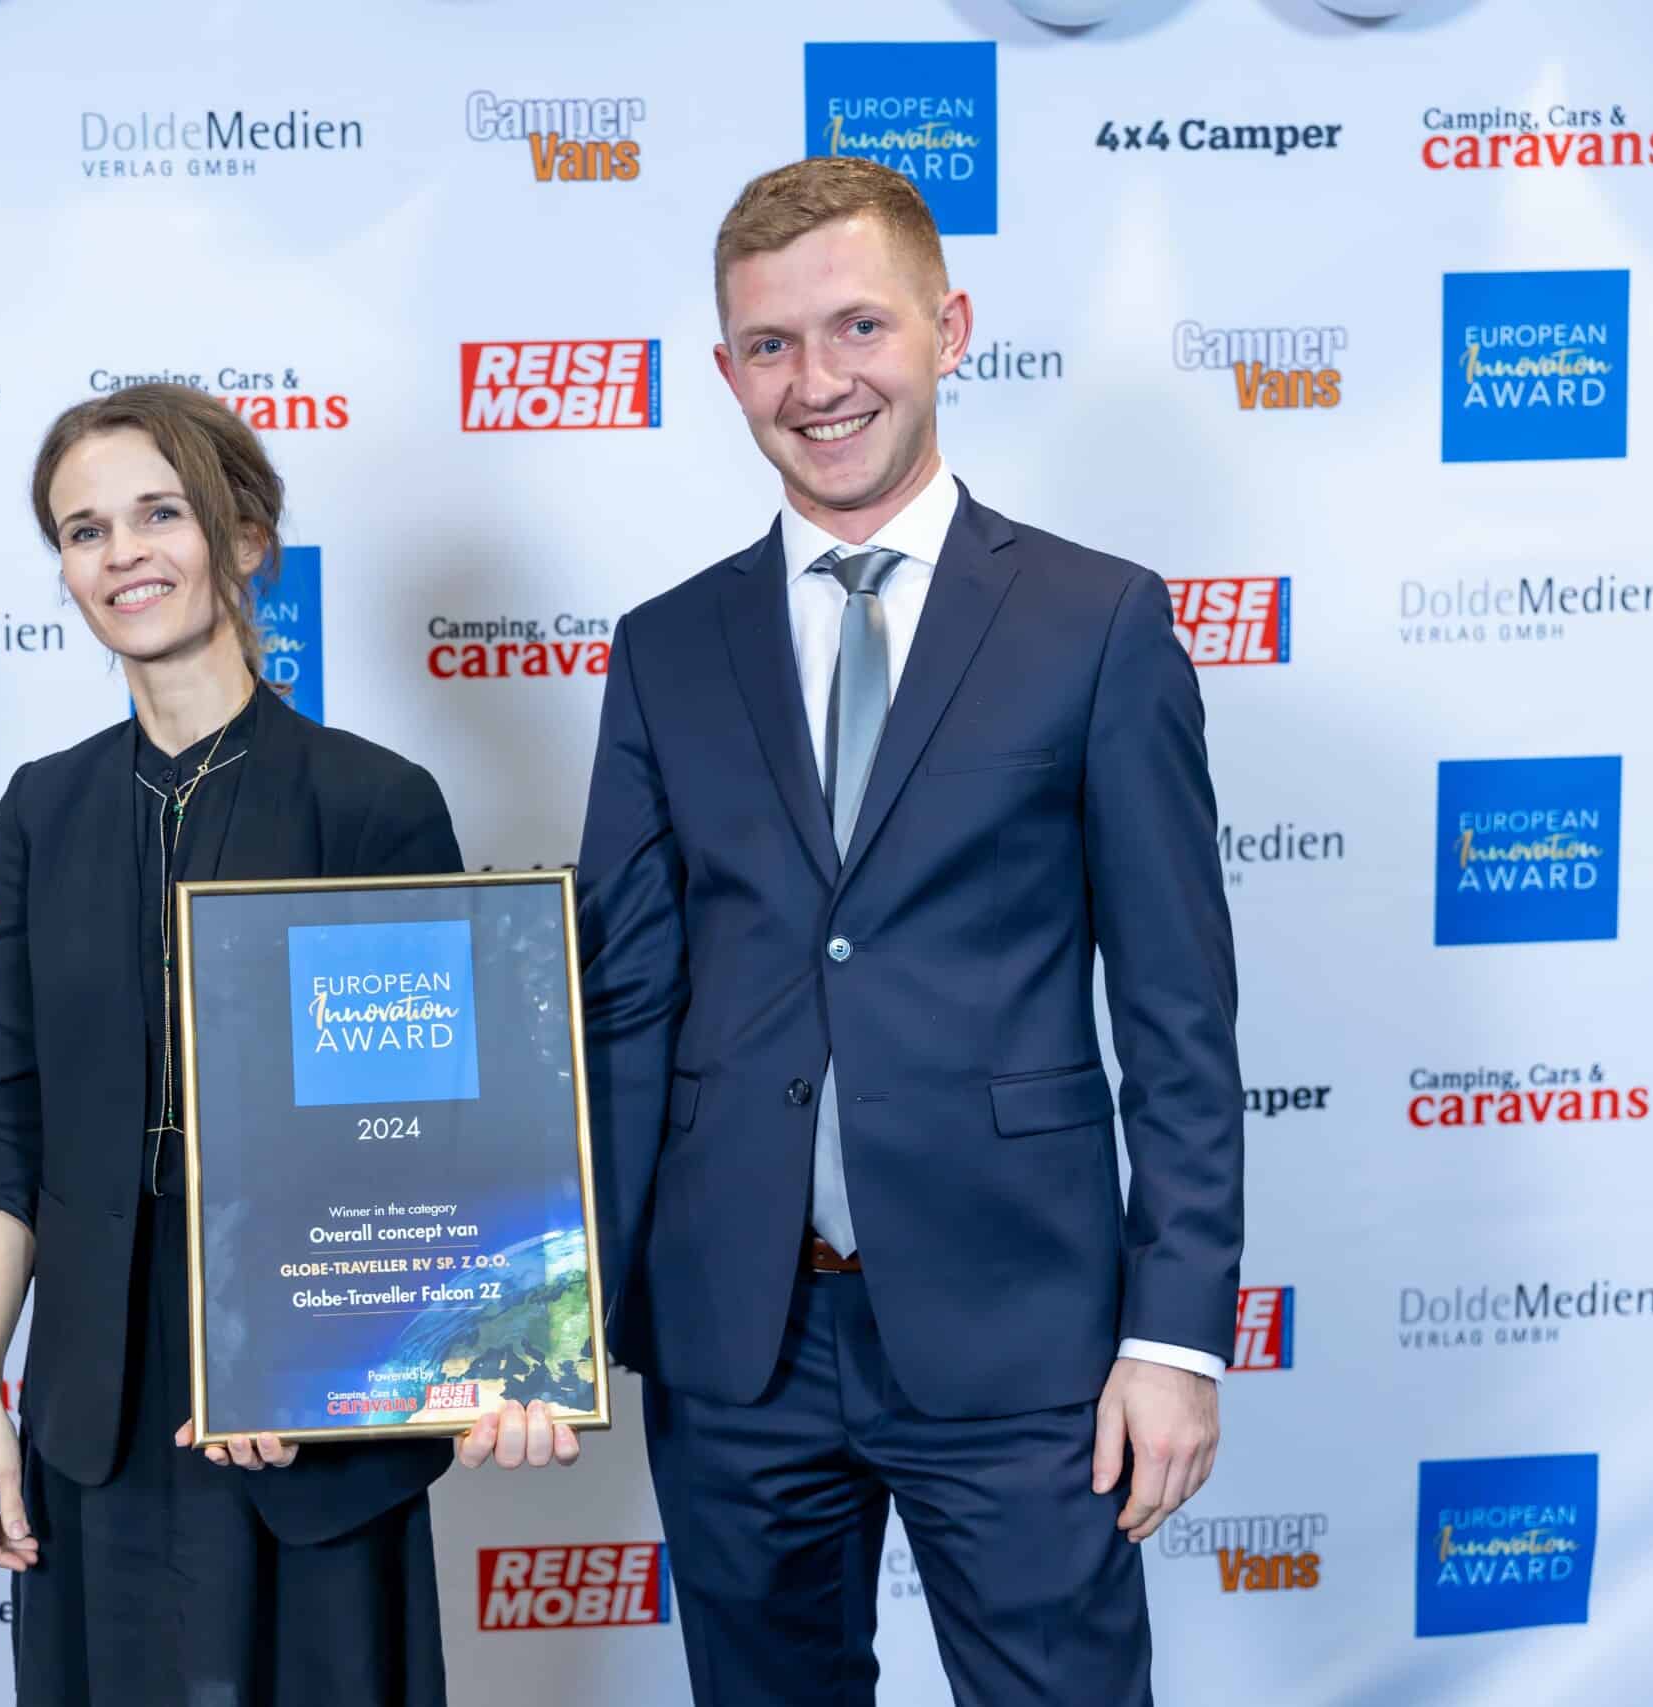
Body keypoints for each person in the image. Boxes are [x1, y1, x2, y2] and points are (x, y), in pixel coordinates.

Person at [575, 157, 1245, 1706]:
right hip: (735, 1340)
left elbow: (1178, 1014)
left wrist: (1176, 1338)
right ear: (726, 369)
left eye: (858, 327)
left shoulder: (1098, 623)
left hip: (1023, 1329)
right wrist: (536, 1317)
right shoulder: (668, 648)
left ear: (950, 329)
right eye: (771, 345)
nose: (818, 383)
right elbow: (624, 1001)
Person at [0, 384, 574, 1707]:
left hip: (313, 1415)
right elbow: (17, 1117)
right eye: (85, 530)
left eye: (158, 514)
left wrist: (331, 1368)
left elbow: (436, 1141)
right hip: (96, 1409)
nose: (123, 555)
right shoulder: (42, 809)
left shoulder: (374, 801)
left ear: (242, 537)